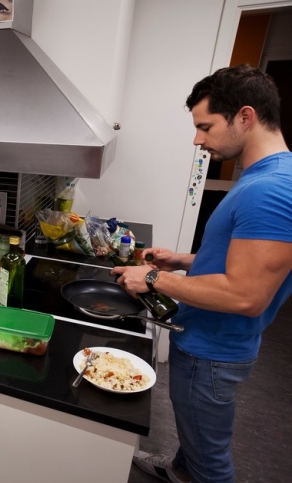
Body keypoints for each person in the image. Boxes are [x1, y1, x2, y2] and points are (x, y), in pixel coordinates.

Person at [113, 64, 292, 483]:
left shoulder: (270, 190)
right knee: (194, 434)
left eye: (206, 126)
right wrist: (181, 260)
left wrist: (153, 279)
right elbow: (239, 260)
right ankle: (179, 471)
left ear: (245, 116)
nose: (198, 139)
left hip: (213, 350)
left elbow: (246, 295)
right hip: (211, 340)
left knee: (211, 461)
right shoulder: (268, 177)